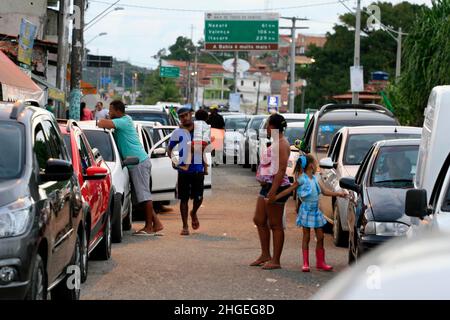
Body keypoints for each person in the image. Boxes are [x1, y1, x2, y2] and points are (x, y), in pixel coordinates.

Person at [97, 100, 163, 236]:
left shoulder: (124, 121)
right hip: (135, 163)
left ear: (117, 111)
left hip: (139, 162)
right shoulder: (121, 123)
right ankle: (156, 223)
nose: (109, 113)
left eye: (110, 111)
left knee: (144, 196)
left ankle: (149, 227)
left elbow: (103, 123)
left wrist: (101, 120)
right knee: (141, 196)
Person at [274, 154, 347, 272]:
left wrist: (339, 194)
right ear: (311, 165)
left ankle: (320, 262)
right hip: (306, 211)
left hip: (316, 211)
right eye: (315, 163)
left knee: (321, 236)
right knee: (306, 237)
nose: (316, 165)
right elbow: (290, 189)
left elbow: (324, 192)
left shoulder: (316, 178)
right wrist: (276, 197)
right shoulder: (302, 179)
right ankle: (305, 263)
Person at [251, 113, 291, 270]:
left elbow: (281, 170)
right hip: (267, 186)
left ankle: (276, 260)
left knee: (275, 224)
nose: (266, 128)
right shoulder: (276, 142)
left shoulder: (282, 144)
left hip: (277, 187)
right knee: (259, 219)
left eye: (267, 124)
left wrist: (273, 192)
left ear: (273, 126)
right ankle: (265, 254)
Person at [168, 107, 207, 236]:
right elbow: (169, 149)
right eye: (181, 116)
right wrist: (175, 161)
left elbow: (211, 148)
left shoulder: (200, 131)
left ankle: (194, 212)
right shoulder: (177, 132)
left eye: (186, 115)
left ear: (191, 115)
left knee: (199, 197)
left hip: (198, 168)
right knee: (183, 199)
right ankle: (185, 226)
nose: (184, 118)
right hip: (183, 171)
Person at [178, 109, 210, 175]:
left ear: (195, 116)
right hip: (204, 142)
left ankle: (186, 166)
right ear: (206, 118)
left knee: (190, 151)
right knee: (203, 154)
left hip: (196, 141)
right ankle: (206, 169)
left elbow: (188, 129)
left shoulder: (195, 123)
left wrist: (181, 127)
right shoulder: (207, 125)